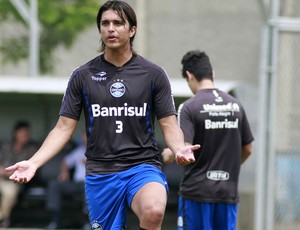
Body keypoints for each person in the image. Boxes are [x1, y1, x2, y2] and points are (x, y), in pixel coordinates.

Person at [5, 1, 200, 229]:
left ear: (132, 30)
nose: (111, 28)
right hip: (101, 173)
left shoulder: (153, 74)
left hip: (142, 166)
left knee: (154, 210)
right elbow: (63, 128)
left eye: (118, 23)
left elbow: (168, 124)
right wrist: (33, 163)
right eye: (105, 23)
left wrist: (178, 148)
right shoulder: (83, 76)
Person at [161, 50, 254, 230]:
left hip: (197, 193)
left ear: (189, 75)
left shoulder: (189, 107)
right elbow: (248, 148)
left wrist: (168, 153)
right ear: (213, 74)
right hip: (228, 192)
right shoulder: (236, 105)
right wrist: (229, 166)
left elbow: (185, 151)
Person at [0, 120, 39, 228]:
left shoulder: (31, 149)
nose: (26, 135)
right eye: (23, 132)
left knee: (10, 192)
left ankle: (2, 218)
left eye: (27, 133)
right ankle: (3, 219)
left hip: (15, 181)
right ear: (15, 133)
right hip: (1, 178)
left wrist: (5, 172)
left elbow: (29, 170)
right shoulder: (5, 146)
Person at [46, 133, 87, 229]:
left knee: (89, 188)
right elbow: (66, 161)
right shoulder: (79, 151)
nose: (85, 139)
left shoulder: (101, 151)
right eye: (84, 137)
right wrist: (64, 172)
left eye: (88, 137)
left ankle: (88, 222)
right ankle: (55, 221)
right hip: (77, 184)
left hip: (91, 184)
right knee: (54, 185)